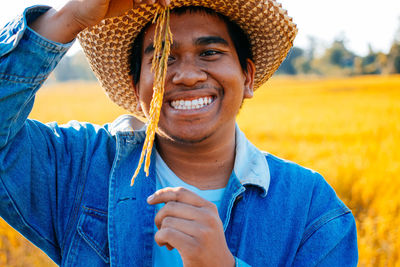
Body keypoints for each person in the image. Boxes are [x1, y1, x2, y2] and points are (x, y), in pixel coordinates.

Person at [0, 0, 358, 266]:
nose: (187, 75)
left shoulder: (314, 209)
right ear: (135, 85)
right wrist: (69, 18)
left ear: (247, 77)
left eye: (211, 52)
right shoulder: (82, 167)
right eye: (163, 58)